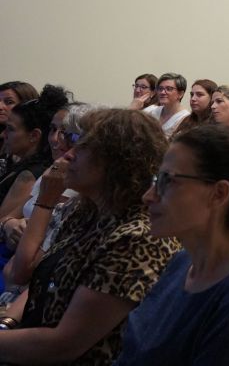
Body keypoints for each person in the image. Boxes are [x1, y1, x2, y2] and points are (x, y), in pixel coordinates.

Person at [0, 109, 179, 364]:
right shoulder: (85, 211)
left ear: (117, 162)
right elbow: (42, 281)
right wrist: (7, 322)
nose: (68, 154)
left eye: (82, 147)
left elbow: (62, 346)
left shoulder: (139, 235)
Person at [114, 124, 229, 365]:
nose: (148, 195)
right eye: (156, 179)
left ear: (219, 193)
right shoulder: (182, 262)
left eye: (167, 181)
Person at [1, 104, 94, 297]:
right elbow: (7, 219)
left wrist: (44, 201)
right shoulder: (51, 172)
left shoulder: (73, 190)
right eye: (53, 130)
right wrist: (10, 226)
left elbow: (18, 273)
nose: (55, 139)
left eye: (71, 137)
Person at [0, 86, 71, 231]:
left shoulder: (30, 174)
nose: (3, 135)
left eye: (11, 129)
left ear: (34, 136)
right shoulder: (33, 169)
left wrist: (7, 224)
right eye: (53, 129)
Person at [143, 73, 191, 137]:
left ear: (180, 94)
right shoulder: (152, 110)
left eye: (169, 89)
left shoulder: (185, 118)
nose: (162, 92)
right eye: (160, 88)